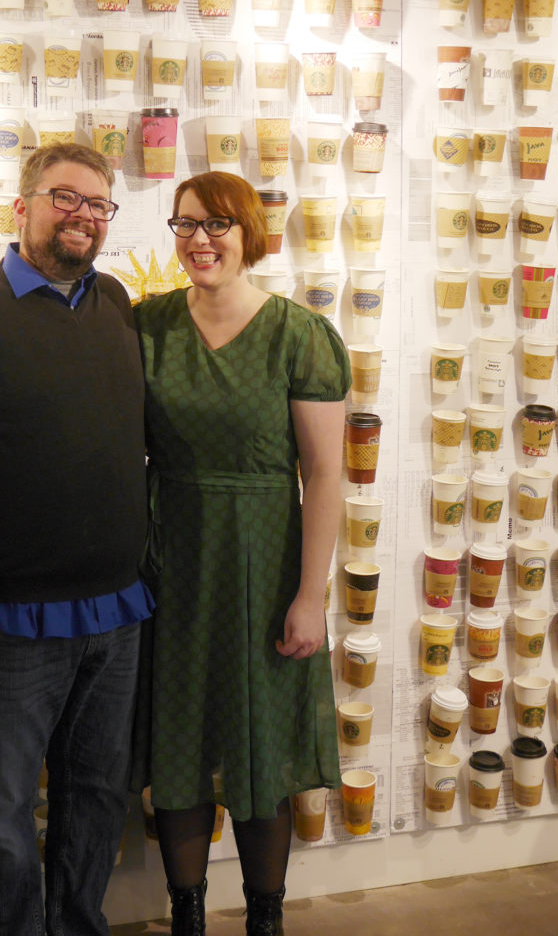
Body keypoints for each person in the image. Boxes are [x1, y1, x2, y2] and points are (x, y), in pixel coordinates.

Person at [0, 142, 153, 936]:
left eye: (98, 204)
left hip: (116, 612)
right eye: (64, 197)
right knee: (5, 813)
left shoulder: (116, 302)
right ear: (22, 207)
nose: (82, 215)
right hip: (12, 619)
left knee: (97, 797)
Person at [135, 172, 348, 936]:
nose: (200, 239)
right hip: (175, 562)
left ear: (249, 232)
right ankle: (187, 917)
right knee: (180, 745)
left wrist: (311, 594)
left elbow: (324, 472)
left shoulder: (299, 333)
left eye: (218, 224)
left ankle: (265, 918)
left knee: (263, 749)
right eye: (186, 224)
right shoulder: (146, 325)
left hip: (266, 566)